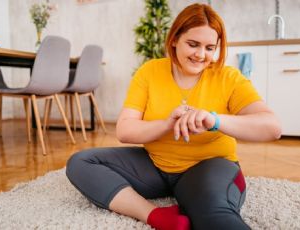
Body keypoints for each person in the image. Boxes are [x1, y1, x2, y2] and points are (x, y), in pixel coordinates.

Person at [66, 3, 281, 230]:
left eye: (210, 47)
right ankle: (155, 215)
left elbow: (271, 127)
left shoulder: (228, 77)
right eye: (193, 44)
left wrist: (213, 120)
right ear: (175, 39)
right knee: (81, 162)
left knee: (212, 215)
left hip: (208, 167)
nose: (201, 55)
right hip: (155, 167)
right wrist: (168, 123)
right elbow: (125, 130)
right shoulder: (149, 72)